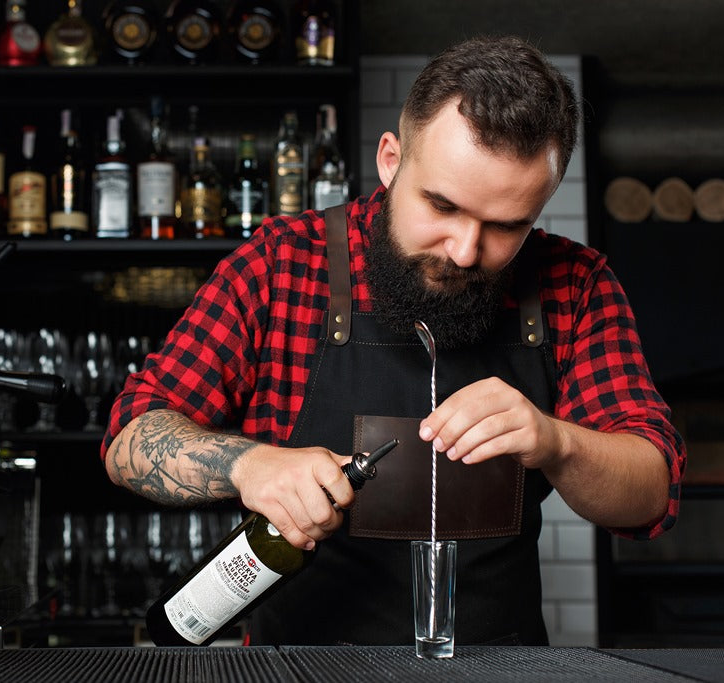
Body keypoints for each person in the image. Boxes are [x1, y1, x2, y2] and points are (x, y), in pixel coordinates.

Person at [101, 34, 685, 646]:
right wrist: (247, 464)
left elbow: (651, 491)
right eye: (442, 206)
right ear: (390, 160)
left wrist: (556, 442)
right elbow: (129, 440)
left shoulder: (575, 283)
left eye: (506, 226)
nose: (464, 251)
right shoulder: (280, 264)